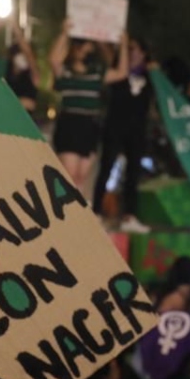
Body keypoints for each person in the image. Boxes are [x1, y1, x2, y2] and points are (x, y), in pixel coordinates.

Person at [48, 21, 130, 192]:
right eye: (80, 46)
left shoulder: (96, 74)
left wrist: (123, 45)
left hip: (89, 126)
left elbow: (122, 73)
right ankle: (64, 212)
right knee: (68, 175)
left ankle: (74, 214)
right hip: (70, 123)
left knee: (81, 178)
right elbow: (53, 59)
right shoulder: (66, 72)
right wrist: (64, 33)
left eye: (86, 46)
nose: (83, 49)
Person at [92, 37, 155, 233]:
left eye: (135, 48)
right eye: (129, 49)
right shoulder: (119, 70)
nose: (132, 51)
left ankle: (129, 216)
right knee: (106, 168)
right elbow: (105, 50)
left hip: (137, 129)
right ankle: (96, 213)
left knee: (133, 173)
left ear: (144, 53)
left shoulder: (150, 75)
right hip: (115, 126)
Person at [0, 23, 42, 112]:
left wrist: (14, 24)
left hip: (21, 122)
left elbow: (28, 53)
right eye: (18, 53)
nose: (22, 57)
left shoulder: (33, 75)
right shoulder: (3, 70)